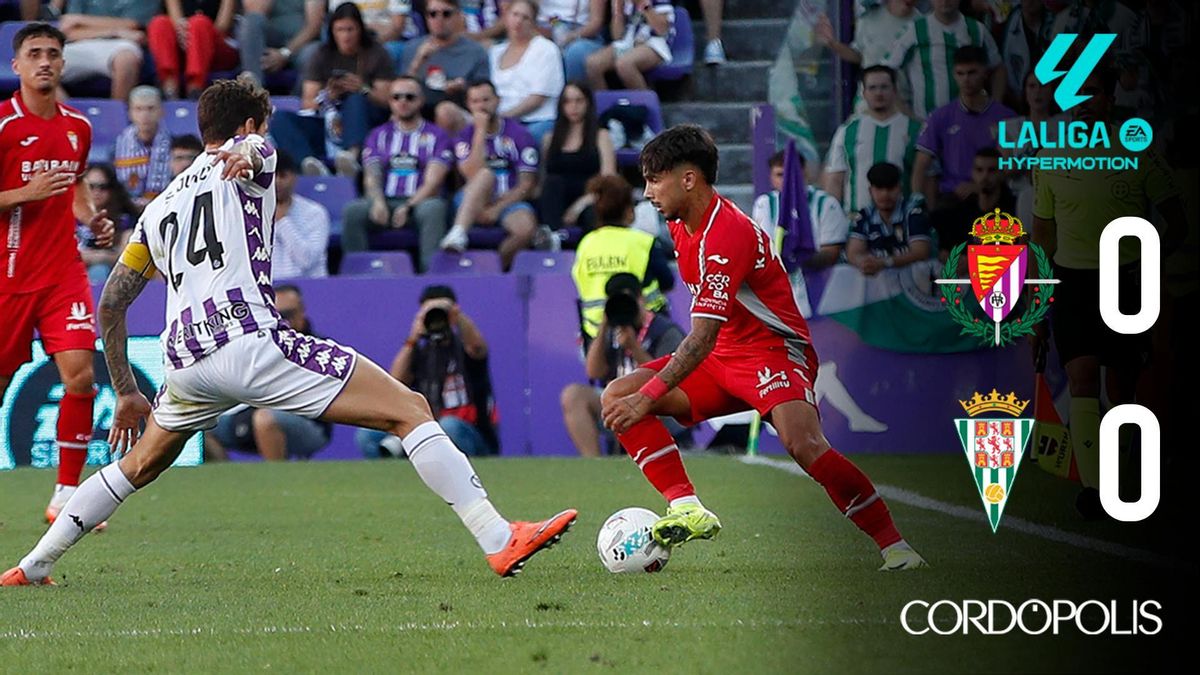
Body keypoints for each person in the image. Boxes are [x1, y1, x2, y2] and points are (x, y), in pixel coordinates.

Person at [0, 77, 576, 588]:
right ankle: (499, 537)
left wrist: (127, 388)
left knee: (137, 466)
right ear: (249, 125)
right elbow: (254, 151)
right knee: (409, 409)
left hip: (186, 361)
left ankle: (35, 564)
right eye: (260, 128)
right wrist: (248, 155)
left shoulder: (158, 208)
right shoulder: (254, 153)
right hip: (248, 340)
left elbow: (112, 303)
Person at [600, 125, 926, 570]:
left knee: (804, 444)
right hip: (721, 358)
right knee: (616, 396)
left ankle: (897, 548)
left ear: (689, 179)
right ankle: (686, 507)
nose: (647, 191)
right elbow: (709, 339)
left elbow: (701, 336)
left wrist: (650, 396)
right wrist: (640, 396)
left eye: (655, 179)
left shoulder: (725, 233)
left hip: (772, 352)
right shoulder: (681, 226)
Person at [1030, 65, 1187, 519]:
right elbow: (1043, 239)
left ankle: (1126, 477)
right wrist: (1037, 311)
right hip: (1072, 281)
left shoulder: (1139, 151)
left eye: (1093, 93)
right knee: (1081, 379)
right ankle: (1097, 489)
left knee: (1121, 389)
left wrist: (1145, 268)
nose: (1083, 103)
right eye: (1075, 95)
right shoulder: (1051, 157)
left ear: (1111, 96)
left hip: (1126, 279)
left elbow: (1177, 223)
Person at [0, 23, 115, 531]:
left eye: (52, 53)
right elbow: (33, 190)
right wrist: (24, 194)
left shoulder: (77, 126)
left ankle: (66, 493)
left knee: (81, 375)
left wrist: (90, 216)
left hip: (62, 272)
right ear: (16, 65)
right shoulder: (3, 124)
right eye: (34, 54)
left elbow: (73, 187)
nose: (44, 61)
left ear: (62, 64)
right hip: (9, 274)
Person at [358, 284, 500, 458]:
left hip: (473, 434)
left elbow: (477, 347)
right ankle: (395, 482)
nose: (436, 319)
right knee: (367, 435)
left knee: (449, 427)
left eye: (440, 314)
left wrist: (456, 316)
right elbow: (395, 381)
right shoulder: (421, 352)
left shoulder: (464, 348)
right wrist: (412, 338)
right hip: (425, 429)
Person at [562, 272, 684, 457]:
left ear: (640, 299)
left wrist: (634, 347)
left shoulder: (664, 330)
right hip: (618, 401)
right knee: (573, 396)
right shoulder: (612, 330)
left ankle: (657, 455)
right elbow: (594, 372)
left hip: (655, 402)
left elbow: (670, 377)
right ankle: (594, 464)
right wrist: (603, 327)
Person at [204, 285, 333, 461]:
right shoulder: (257, 345)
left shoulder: (319, 348)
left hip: (307, 422)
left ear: (302, 312)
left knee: (265, 418)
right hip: (248, 412)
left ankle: (277, 479)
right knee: (199, 425)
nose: (283, 321)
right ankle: (227, 480)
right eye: (277, 315)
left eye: (288, 314)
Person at [269, 2, 395, 177]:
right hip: (327, 120)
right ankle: (309, 164)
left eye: (350, 30)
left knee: (355, 99)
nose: (346, 36)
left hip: (367, 120)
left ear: (360, 29)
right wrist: (328, 95)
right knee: (280, 119)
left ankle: (351, 156)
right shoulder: (322, 54)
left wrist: (363, 88)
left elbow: (388, 99)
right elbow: (308, 103)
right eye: (340, 30)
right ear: (332, 31)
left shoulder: (377, 53)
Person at [341, 77, 454, 271]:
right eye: (396, 97)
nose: (403, 102)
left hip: (420, 202)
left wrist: (409, 206)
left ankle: (431, 274)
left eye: (409, 97)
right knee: (353, 211)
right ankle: (358, 272)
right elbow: (371, 175)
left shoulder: (437, 135)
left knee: (434, 209)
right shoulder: (378, 135)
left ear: (420, 101)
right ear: (390, 102)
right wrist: (377, 201)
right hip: (386, 200)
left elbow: (434, 182)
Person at [440, 80, 540, 270]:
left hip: (508, 199)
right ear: (468, 105)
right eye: (475, 101)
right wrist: (480, 131)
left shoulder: (519, 134)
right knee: (485, 174)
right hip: (471, 200)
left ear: (497, 101)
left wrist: (497, 208)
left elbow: (527, 184)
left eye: (486, 100)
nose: (481, 106)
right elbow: (471, 173)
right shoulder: (464, 135)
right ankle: (458, 233)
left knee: (525, 229)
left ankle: (494, 270)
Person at [911, 46, 1015, 209]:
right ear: (954, 75)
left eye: (972, 72)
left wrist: (978, 186)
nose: (966, 79)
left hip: (995, 195)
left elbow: (1012, 165)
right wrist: (916, 206)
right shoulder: (940, 116)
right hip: (953, 197)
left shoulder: (1006, 117)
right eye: (960, 73)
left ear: (985, 73)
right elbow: (921, 165)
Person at [572, 174, 673, 339]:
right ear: (628, 210)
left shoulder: (586, 244)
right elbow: (668, 282)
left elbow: (579, 280)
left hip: (596, 333)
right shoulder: (643, 241)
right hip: (644, 330)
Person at [752, 150, 847, 317]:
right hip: (777, 287)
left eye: (791, 173)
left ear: (805, 173)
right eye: (780, 175)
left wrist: (799, 258)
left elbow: (832, 252)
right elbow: (761, 249)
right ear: (771, 179)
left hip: (820, 285)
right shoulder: (764, 204)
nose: (786, 179)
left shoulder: (827, 204)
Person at [880, 0, 1004, 120]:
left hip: (971, 121)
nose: (944, 1)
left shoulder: (977, 30)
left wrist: (995, 105)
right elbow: (885, 70)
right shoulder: (915, 30)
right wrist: (906, 113)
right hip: (925, 123)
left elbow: (998, 68)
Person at [822, 65, 921, 213]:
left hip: (904, 221)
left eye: (884, 87)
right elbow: (836, 179)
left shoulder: (915, 129)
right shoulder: (847, 131)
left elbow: (926, 178)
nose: (878, 93)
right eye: (872, 88)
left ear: (895, 90)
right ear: (864, 92)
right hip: (857, 222)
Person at [398, 0, 491, 135]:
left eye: (446, 14)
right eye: (433, 14)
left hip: (460, 111)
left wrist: (463, 87)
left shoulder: (475, 51)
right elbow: (401, 89)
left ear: (458, 16)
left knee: (445, 111)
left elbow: (485, 92)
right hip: (420, 109)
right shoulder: (412, 48)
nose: (439, 19)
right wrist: (418, 61)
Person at [538, 81, 616, 231]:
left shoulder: (601, 136)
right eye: (567, 101)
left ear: (588, 103)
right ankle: (552, 238)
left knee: (592, 213)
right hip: (557, 199)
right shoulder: (550, 139)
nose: (573, 107)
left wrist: (579, 205)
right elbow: (543, 179)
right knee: (552, 183)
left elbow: (608, 180)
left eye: (579, 101)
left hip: (589, 198)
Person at [488, 0, 565, 141]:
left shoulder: (546, 49)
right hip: (499, 121)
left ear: (533, 23)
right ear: (506, 17)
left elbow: (537, 99)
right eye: (515, 15)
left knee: (520, 139)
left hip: (537, 120)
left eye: (525, 17)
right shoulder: (495, 52)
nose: (519, 21)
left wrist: (503, 118)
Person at [57, 0, 158, 101]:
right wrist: (115, 31)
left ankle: (116, 111)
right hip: (80, 43)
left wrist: (80, 20)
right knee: (45, 62)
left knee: (126, 59)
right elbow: (69, 31)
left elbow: (133, 24)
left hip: (120, 43)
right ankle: (68, 111)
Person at [845, 162, 932, 278]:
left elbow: (921, 252)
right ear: (870, 191)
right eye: (879, 188)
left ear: (899, 188)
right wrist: (863, 263)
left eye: (890, 188)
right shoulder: (864, 215)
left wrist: (885, 262)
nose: (885, 194)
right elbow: (853, 252)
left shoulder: (913, 213)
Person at [930, 147, 1014, 261]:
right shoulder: (961, 209)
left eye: (991, 170)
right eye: (979, 170)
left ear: (1001, 173)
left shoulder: (1013, 209)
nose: (985, 176)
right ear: (972, 173)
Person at [146, 0, 240, 100]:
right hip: (183, 44)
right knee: (159, 23)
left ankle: (195, 88)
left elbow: (222, 27)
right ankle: (169, 87)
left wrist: (193, 34)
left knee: (199, 23)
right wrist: (183, 31)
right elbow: (177, 21)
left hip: (215, 46)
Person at [586, 0, 675, 91]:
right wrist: (618, 11)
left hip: (655, 43)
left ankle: (645, 102)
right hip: (629, 41)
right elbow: (617, 36)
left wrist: (643, 5)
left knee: (624, 64)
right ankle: (604, 103)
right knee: (593, 64)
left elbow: (661, 30)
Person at [237, 0, 324, 87]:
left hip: (301, 44)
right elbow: (254, 14)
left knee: (313, 52)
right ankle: (254, 90)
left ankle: (297, 99)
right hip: (269, 41)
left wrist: (285, 53)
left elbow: (314, 26)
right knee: (251, 21)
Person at [271, 152, 330, 279]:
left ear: (294, 177)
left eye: (283, 176)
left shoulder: (315, 213)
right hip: (270, 291)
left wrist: (281, 220)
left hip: (310, 289)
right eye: (272, 177)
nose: (277, 182)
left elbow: (307, 260)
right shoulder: (252, 213)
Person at [78, 163, 139, 285]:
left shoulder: (125, 221)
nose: (96, 192)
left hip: (114, 279)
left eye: (103, 187)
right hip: (75, 277)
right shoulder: (71, 218)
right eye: (91, 186)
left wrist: (101, 257)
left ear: (112, 189)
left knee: (99, 271)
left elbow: (128, 260)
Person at [113, 86, 173, 208]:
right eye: (138, 109)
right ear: (130, 113)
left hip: (165, 206)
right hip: (127, 207)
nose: (145, 115)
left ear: (161, 111)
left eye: (151, 109)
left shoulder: (174, 144)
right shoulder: (116, 146)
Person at [539, 0, 606, 83]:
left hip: (580, 32)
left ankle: (572, 92)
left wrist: (571, 36)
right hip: (541, 26)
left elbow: (596, 23)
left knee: (576, 52)